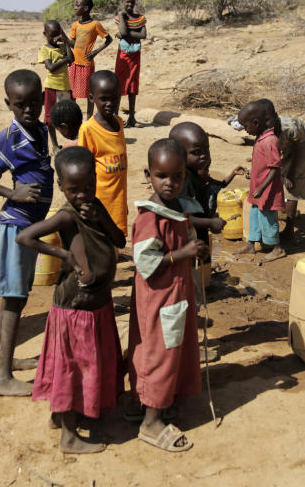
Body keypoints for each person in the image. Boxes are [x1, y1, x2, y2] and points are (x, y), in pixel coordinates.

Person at [16, 146, 126, 454]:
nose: (82, 195)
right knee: (72, 368)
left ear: (95, 180)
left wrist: (101, 218)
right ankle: (68, 435)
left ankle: (62, 415)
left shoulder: (97, 206)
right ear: (62, 187)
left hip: (97, 303)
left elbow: (119, 240)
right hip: (76, 307)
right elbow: (24, 237)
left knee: (84, 364)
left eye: (88, 187)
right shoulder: (66, 216)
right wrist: (64, 254)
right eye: (74, 190)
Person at [0, 69, 53, 395]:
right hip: (18, 225)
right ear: (8, 104)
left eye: (33, 103)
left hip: (31, 225)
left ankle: (3, 360)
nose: (27, 110)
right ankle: (2, 377)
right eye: (20, 105)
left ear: (43, 99)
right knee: (14, 299)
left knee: (17, 297)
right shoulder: (11, 138)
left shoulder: (40, 130)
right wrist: (9, 193)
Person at [129, 138, 207, 452]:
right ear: (148, 174)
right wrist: (183, 252)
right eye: (162, 176)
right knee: (158, 354)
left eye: (177, 177)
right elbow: (146, 263)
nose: (170, 183)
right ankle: (150, 422)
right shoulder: (150, 218)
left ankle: (150, 403)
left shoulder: (176, 210)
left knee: (171, 349)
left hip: (175, 295)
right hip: (159, 299)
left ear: (184, 177)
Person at [169, 121, 245, 362]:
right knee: (187, 302)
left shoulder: (196, 177)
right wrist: (210, 224)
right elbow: (183, 218)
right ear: (178, 154)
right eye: (196, 152)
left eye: (206, 150)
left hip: (195, 248)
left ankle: (187, 347)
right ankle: (187, 350)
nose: (204, 157)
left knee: (192, 300)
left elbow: (210, 191)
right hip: (184, 250)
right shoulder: (181, 183)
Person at [77, 71, 128, 235]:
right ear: (91, 98)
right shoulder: (88, 129)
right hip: (99, 198)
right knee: (101, 236)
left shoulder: (119, 123)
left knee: (115, 235)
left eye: (114, 98)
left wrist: (123, 202)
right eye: (104, 99)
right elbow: (82, 167)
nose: (110, 103)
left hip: (118, 197)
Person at [235, 100, 286, 262]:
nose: (245, 130)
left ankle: (277, 248)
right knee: (255, 215)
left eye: (246, 126)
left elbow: (275, 167)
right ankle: (252, 243)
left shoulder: (269, 140)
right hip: (258, 189)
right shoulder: (260, 137)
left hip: (268, 190)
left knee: (267, 218)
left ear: (256, 123)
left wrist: (262, 187)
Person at [67, 0, 112, 119]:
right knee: (72, 93)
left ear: (86, 8)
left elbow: (109, 39)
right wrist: (66, 44)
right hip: (74, 64)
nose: (75, 7)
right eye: (75, 5)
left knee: (89, 94)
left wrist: (95, 52)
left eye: (77, 5)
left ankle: (89, 119)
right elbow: (73, 44)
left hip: (87, 63)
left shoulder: (95, 24)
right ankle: (73, 118)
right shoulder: (75, 25)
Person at [274, 111, 305, 242]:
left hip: (302, 144)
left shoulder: (289, 129)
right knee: (279, 175)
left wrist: (290, 175)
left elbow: (295, 151)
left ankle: (289, 230)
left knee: (292, 183)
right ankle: (284, 211)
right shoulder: (261, 125)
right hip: (288, 145)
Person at [37, 20, 74, 155]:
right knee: (50, 118)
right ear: (45, 34)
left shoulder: (63, 47)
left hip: (65, 87)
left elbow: (72, 58)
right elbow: (51, 67)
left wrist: (65, 41)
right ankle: (54, 145)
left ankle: (72, 141)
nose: (55, 38)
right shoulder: (44, 50)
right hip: (52, 87)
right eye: (52, 35)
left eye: (57, 34)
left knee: (68, 115)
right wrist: (65, 60)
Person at [114, 0, 148, 128]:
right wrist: (123, 21)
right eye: (127, 1)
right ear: (122, 2)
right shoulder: (119, 17)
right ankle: (116, 117)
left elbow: (143, 35)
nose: (129, 4)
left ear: (135, 2)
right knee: (120, 83)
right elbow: (122, 31)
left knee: (133, 83)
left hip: (135, 55)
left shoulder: (140, 18)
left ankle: (132, 117)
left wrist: (127, 34)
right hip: (123, 55)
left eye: (132, 1)